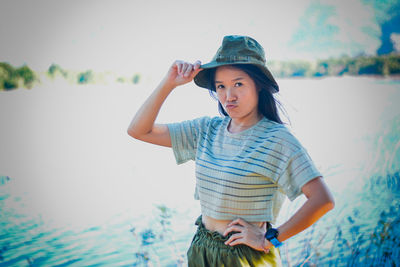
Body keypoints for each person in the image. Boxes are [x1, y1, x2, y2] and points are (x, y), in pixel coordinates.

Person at [127, 35, 335, 266]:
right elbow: (139, 130)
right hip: (202, 248)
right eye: (221, 86)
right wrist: (168, 83)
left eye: (238, 84)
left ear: (258, 85)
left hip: (244, 257)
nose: (229, 96)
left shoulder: (277, 139)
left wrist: (270, 239)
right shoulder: (207, 130)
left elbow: (322, 199)